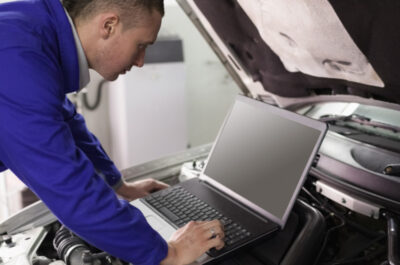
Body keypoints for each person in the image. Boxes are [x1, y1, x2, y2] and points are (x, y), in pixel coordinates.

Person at [0, 0, 225, 264]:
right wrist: (167, 255)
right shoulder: (16, 58)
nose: (141, 61)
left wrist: (119, 185)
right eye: (141, 45)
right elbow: (70, 187)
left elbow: (66, 120)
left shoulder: (33, 27)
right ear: (109, 25)